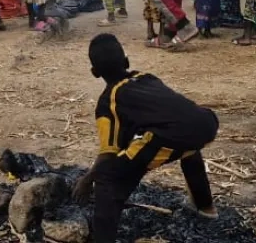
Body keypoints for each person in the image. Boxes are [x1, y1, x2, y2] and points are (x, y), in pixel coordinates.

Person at [72, 34, 219, 243]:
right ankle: (206, 207)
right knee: (187, 146)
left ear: (95, 73)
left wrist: (87, 180)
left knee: (107, 177)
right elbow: (168, 114)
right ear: (126, 62)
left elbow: (107, 154)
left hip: (174, 137)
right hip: (206, 124)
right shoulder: (146, 77)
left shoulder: (109, 100)